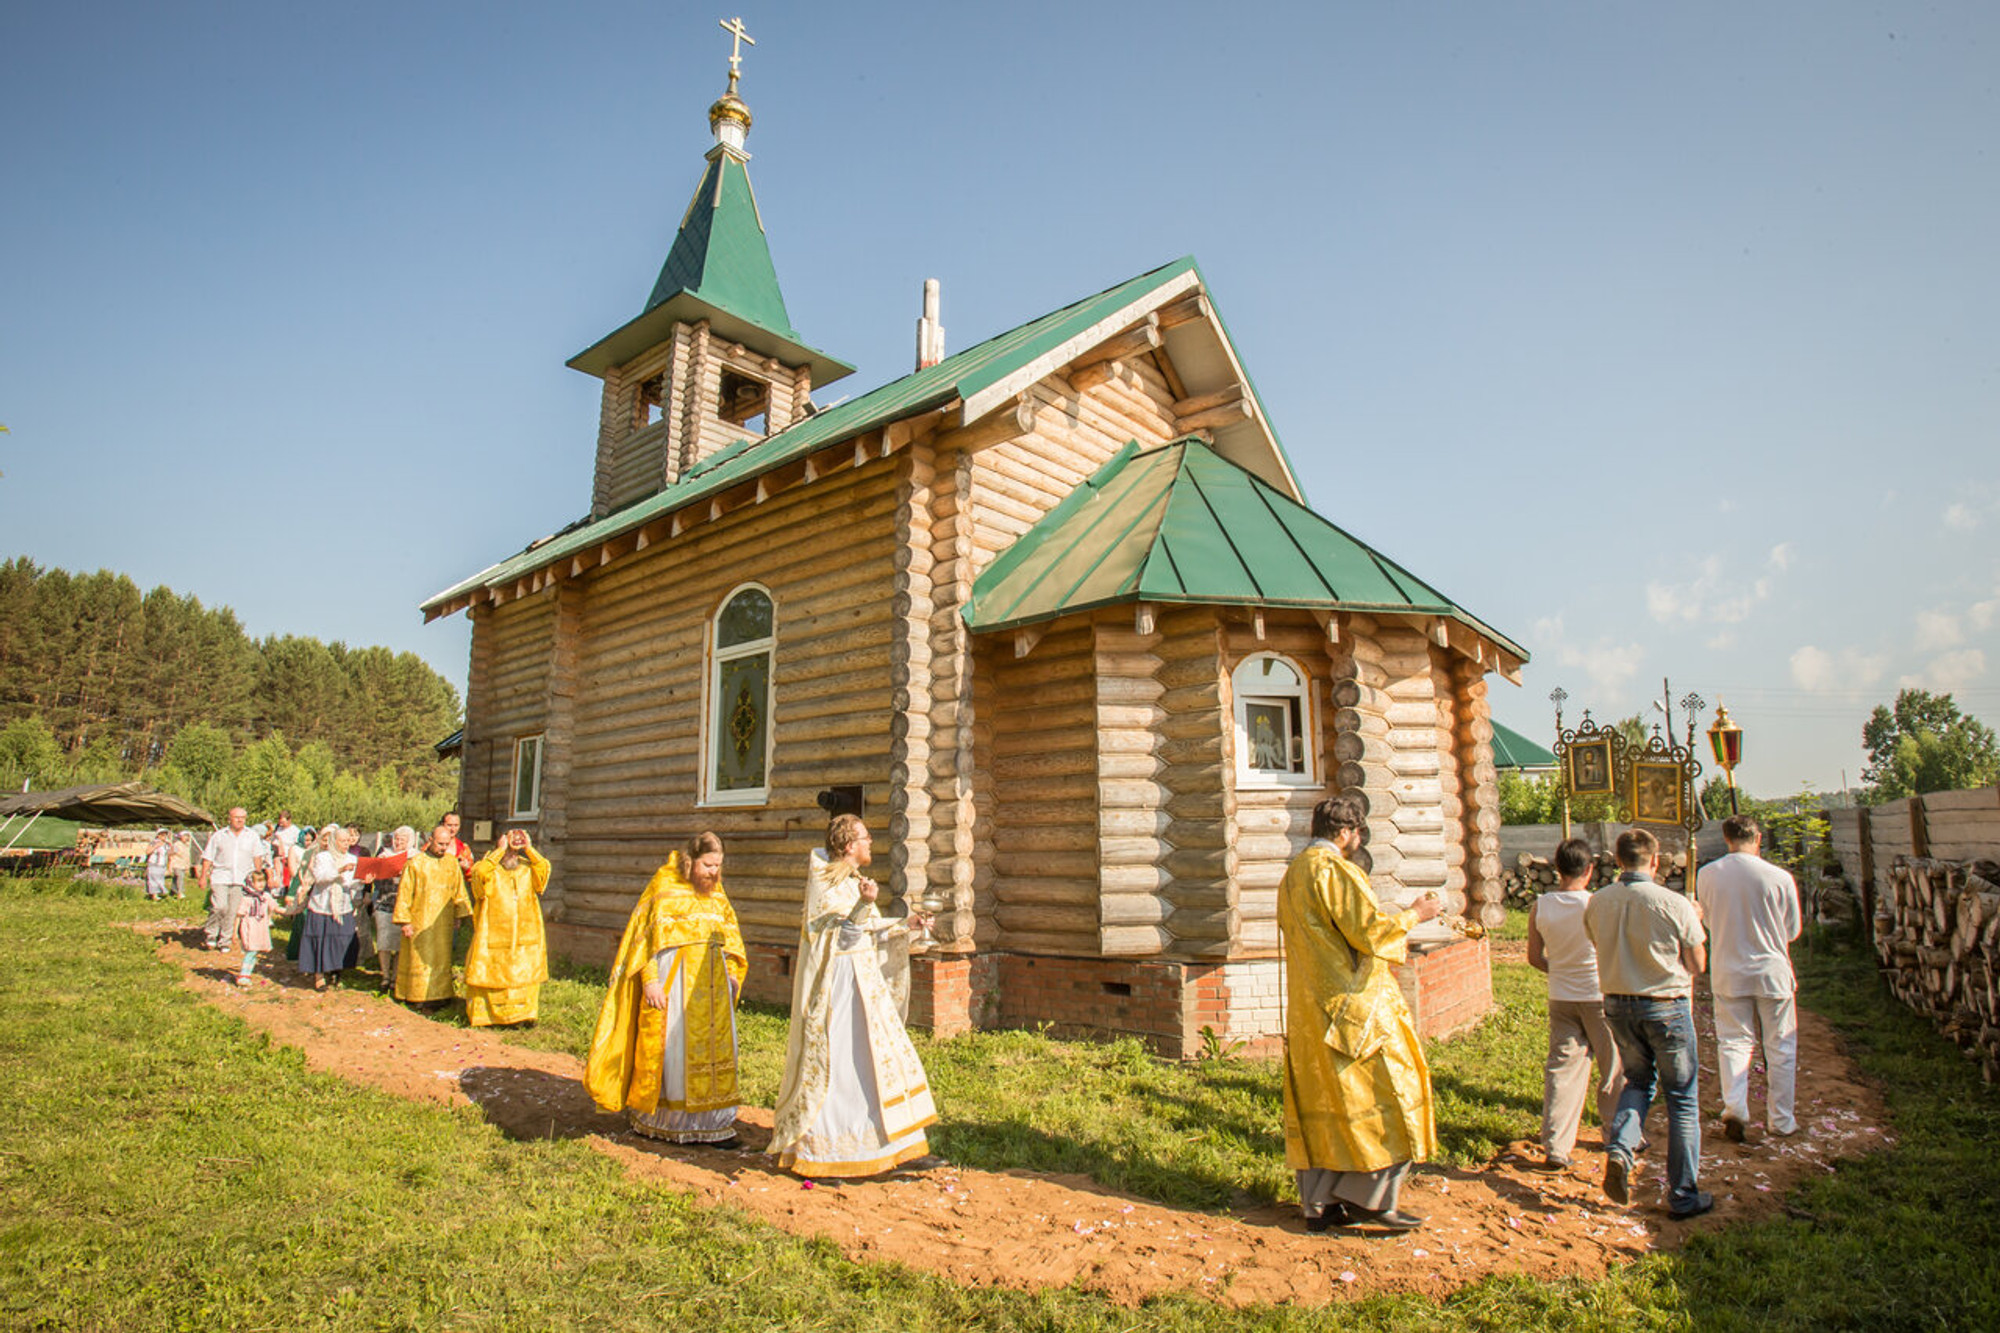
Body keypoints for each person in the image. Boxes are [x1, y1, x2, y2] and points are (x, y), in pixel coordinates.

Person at [1279, 794, 1442, 1234]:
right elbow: (1369, 932)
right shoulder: (1336, 871)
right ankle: (1370, 1199)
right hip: (1353, 1006)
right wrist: (1415, 915)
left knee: (1324, 1104)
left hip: (1309, 1010)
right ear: (1348, 832)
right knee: (1389, 1093)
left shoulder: (1293, 874)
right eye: (1356, 833)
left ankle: (1321, 1205)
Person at [770, 815, 938, 1178]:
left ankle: (895, 1146)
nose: (870, 843)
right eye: (865, 838)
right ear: (849, 846)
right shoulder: (827, 883)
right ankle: (827, 1152)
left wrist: (906, 925)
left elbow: (867, 932)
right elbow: (843, 937)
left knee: (879, 1064)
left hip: (864, 988)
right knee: (844, 1067)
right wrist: (864, 905)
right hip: (840, 992)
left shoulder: (852, 881)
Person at [586, 832, 748, 1144]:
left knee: (713, 1056)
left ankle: (713, 1124)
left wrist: (731, 973)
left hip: (711, 993)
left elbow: (729, 937)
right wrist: (650, 982)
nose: (714, 872)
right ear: (691, 861)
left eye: (719, 866)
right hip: (674, 987)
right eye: (708, 865)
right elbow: (644, 941)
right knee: (674, 1052)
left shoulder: (716, 893)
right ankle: (666, 1121)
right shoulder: (663, 886)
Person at [1584, 828, 1712, 1219]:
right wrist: (1695, 921)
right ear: (1655, 861)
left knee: (1637, 1082)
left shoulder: (1597, 903)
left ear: (1617, 860)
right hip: (1665, 1006)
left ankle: (1621, 1149)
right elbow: (1697, 965)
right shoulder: (1673, 903)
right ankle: (1683, 1194)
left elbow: (1598, 944)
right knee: (1682, 1099)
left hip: (1618, 1005)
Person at [1696, 814, 1803, 1141]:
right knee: (1781, 1046)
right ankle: (1781, 1120)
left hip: (1729, 968)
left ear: (1727, 839)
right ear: (1758, 839)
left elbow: (1708, 921)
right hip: (1771, 969)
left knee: (1733, 1041)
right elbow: (1792, 930)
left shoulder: (1707, 875)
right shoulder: (1779, 877)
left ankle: (1736, 1107)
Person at [1526, 837, 1623, 1172]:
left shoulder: (1542, 905)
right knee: (1612, 1067)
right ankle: (1615, 1135)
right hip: (1599, 995)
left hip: (1561, 995)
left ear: (1556, 867)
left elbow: (1534, 957)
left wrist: (1560, 970)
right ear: (1590, 869)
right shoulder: (1596, 904)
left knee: (1562, 1069)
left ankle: (1556, 1145)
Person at [463, 828, 553, 1026]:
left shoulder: (527, 868)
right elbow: (478, 875)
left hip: (524, 934)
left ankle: (523, 1016)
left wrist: (529, 848)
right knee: (493, 976)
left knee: (523, 975)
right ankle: (490, 1017)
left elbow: (544, 869)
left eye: (514, 851)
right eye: (507, 850)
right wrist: (499, 851)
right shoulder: (489, 867)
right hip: (494, 933)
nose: (511, 854)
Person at [393, 823, 472, 1006]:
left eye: (446, 844)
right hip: (419, 922)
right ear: (430, 841)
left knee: (442, 959)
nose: (443, 848)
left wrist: (459, 916)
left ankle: (441, 995)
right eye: (440, 844)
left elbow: (459, 890)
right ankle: (416, 996)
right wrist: (405, 921)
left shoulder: (452, 862)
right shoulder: (415, 863)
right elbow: (405, 893)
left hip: (443, 922)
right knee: (419, 959)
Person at [296, 825, 362, 991]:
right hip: (323, 905)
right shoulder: (323, 857)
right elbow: (320, 878)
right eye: (342, 841)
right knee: (320, 939)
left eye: (348, 841)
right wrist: (339, 870)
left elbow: (351, 884)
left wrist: (363, 881)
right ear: (334, 841)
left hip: (342, 905)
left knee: (343, 938)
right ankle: (318, 975)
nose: (345, 844)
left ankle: (335, 968)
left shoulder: (352, 859)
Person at [198, 808, 268, 952]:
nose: (240, 820)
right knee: (219, 906)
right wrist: (203, 876)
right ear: (229, 818)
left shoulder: (252, 836)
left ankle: (225, 940)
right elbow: (208, 857)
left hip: (241, 879)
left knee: (232, 911)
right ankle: (211, 933)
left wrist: (257, 876)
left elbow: (257, 857)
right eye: (236, 817)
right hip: (221, 876)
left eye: (242, 817)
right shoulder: (219, 836)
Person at [359, 826, 417, 989]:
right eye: (396, 839)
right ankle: (385, 975)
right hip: (384, 901)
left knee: (400, 942)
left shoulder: (415, 857)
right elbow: (372, 875)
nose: (398, 842)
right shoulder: (384, 853)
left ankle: (396, 976)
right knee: (384, 940)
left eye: (402, 840)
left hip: (404, 904)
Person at [235, 864, 277, 989]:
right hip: (250, 927)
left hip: (260, 928)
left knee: (255, 952)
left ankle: (247, 973)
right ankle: (244, 975)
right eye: (258, 882)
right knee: (251, 951)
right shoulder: (247, 899)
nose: (261, 884)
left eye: (263, 881)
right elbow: (239, 915)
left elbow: (275, 907)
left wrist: (294, 909)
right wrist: (234, 932)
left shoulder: (265, 897)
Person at [441, 811, 476, 877]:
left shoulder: (464, 848)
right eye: (449, 825)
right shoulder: (432, 846)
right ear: (442, 824)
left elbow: (471, 874)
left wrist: (466, 868)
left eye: (456, 825)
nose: (453, 829)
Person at [144, 829, 172, 901]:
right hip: (154, 863)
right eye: (162, 835)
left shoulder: (166, 845)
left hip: (162, 864)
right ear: (158, 835)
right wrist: (156, 846)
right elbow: (147, 852)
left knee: (160, 880)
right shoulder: (153, 842)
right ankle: (154, 895)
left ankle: (157, 893)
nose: (164, 837)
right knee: (153, 880)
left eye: (165, 835)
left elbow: (170, 854)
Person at [169, 831, 192, 898]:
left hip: (183, 864)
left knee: (176, 878)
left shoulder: (186, 845)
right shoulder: (177, 844)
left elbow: (187, 856)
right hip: (177, 864)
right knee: (180, 877)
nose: (186, 838)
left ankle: (173, 891)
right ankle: (180, 892)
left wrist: (188, 864)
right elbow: (172, 852)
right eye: (185, 836)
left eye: (187, 836)